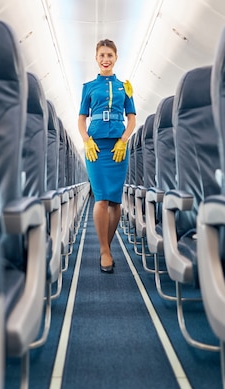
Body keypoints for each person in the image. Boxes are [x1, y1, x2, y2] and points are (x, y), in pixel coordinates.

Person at [78, 39, 136, 274]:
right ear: (96, 58)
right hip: (96, 146)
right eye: (102, 55)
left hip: (118, 147)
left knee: (115, 201)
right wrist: (86, 140)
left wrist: (124, 140)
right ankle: (104, 251)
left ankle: (107, 246)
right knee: (101, 198)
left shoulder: (126, 86)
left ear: (116, 58)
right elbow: (82, 118)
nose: (105, 59)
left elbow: (131, 118)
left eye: (109, 55)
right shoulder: (89, 86)